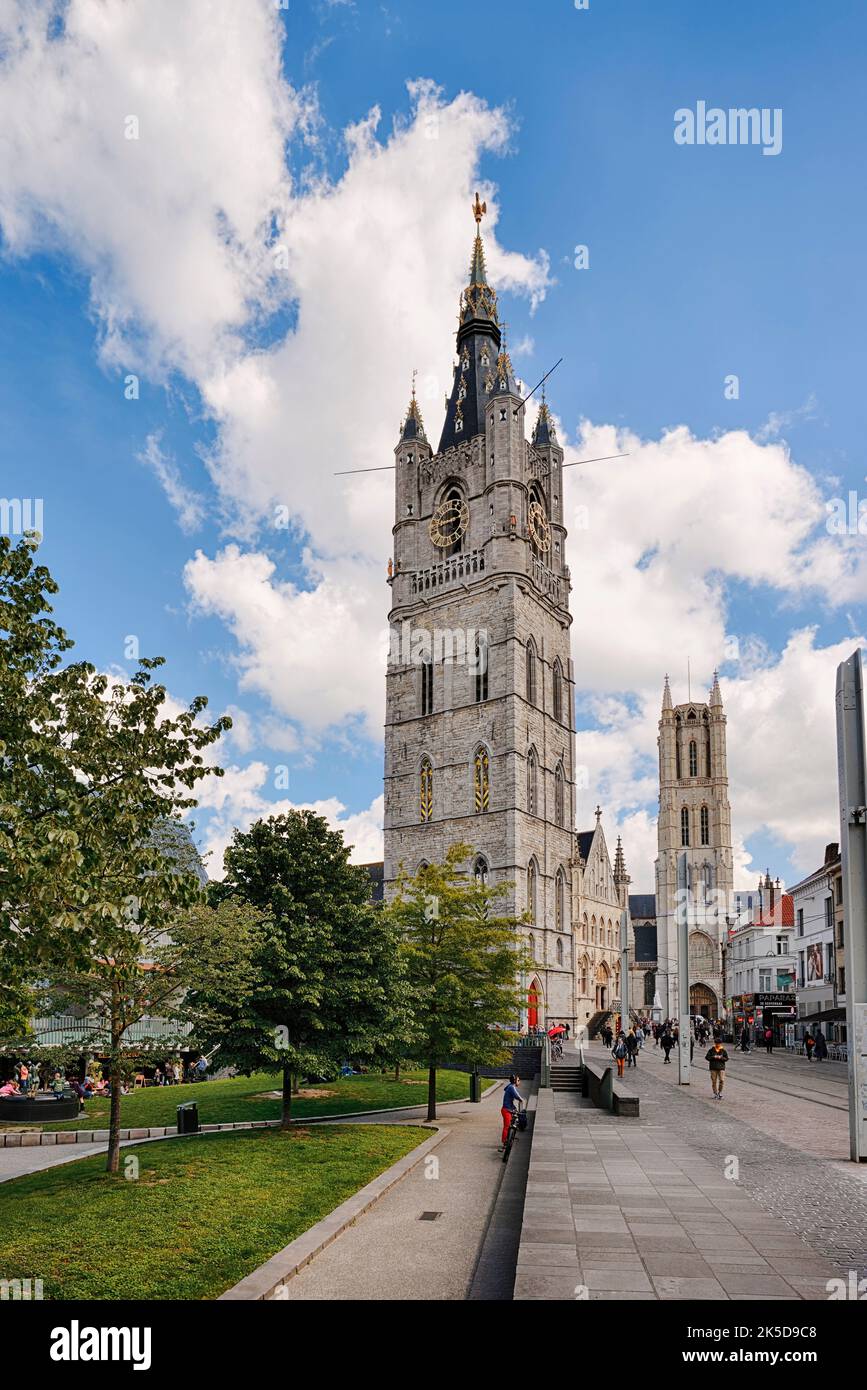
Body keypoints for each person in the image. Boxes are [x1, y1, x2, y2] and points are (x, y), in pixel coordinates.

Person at [499, 1075, 523, 1149]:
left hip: (508, 1109)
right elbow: (517, 1096)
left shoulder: (510, 1086)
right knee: (507, 1126)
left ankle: (508, 1139)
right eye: (518, 1080)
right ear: (514, 1081)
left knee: (510, 1124)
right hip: (506, 1110)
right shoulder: (511, 1087)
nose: (519, 1082)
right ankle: (505, 1142)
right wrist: (522, 1100)